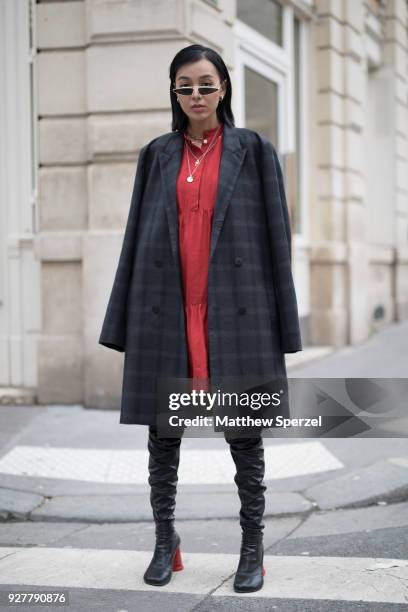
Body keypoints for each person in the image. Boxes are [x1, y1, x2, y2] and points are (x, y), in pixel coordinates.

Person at [99, 43, 302, 593]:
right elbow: (134, 239)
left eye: (205, 84)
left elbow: (277, 242)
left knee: (244, 436)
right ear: (173, 91)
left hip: (236, 311)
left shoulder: (254, 150)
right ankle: (166, 541)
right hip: (165, 309)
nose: (195, 95)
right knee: (163, 435)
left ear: (224, 88)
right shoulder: (156, 154)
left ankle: (252, 549)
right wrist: (122, 319)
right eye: (184, 86)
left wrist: (286, 324)